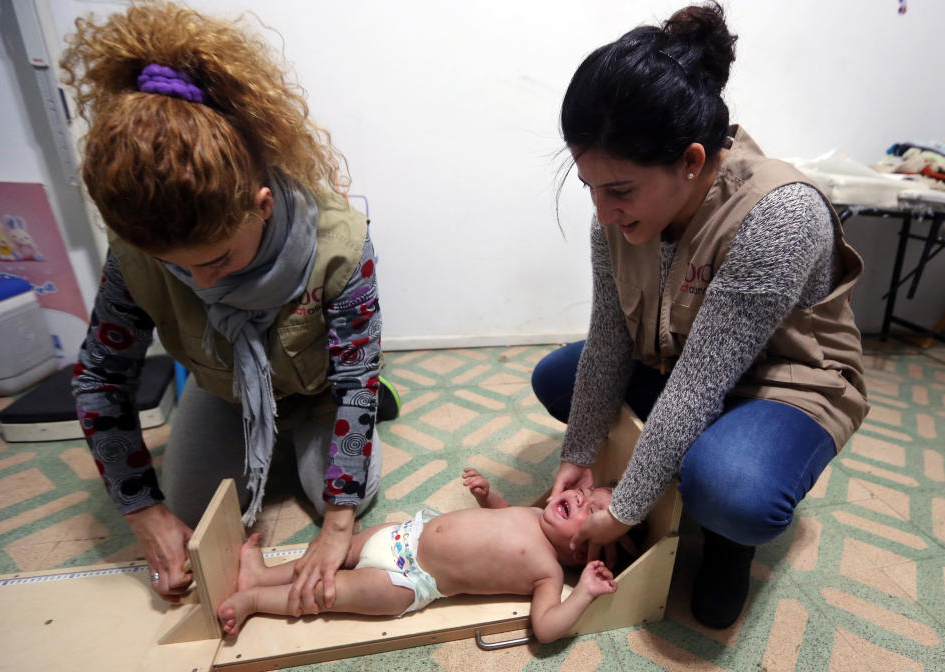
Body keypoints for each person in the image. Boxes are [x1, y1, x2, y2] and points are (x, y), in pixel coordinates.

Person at [534, 2, 868, 629]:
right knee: (560, 379)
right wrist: (577, 453)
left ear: (691, 161)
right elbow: (609, 339)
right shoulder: (616, 206)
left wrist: (623, 510)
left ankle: (728, 539)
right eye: (590, 188)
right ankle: (680, 474)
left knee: (730, 490)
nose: (604, 213)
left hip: (779, 385)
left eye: (620, 191)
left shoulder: (779, 215)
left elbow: (699, 387)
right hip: (677, 357)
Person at [63, 1, 397, 612]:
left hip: (322, 388)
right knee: (191, 515)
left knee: (339, 496)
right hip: (226, 389)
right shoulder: (134, 254)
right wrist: (145, 515)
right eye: (175, 267)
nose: (197, 281)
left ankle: (313, 437)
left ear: (261, 205)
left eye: (215, 261)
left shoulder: (341, 244)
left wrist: (338, 529)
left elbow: (355, 381)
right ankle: (260, 441)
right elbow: (100, 382)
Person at [216, 468, 618, 643]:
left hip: (405, 583)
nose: (579, 498)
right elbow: (502, 519)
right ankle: (263, 574)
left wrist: (582, 592)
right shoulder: (533, 512)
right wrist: (487, 495)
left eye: (591, 512)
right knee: (329, 553)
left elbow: (546, 628)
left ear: (582, 552)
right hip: (401, 534)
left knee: (327, 592)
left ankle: (254, 600)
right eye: (584, 494)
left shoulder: (547, 572)